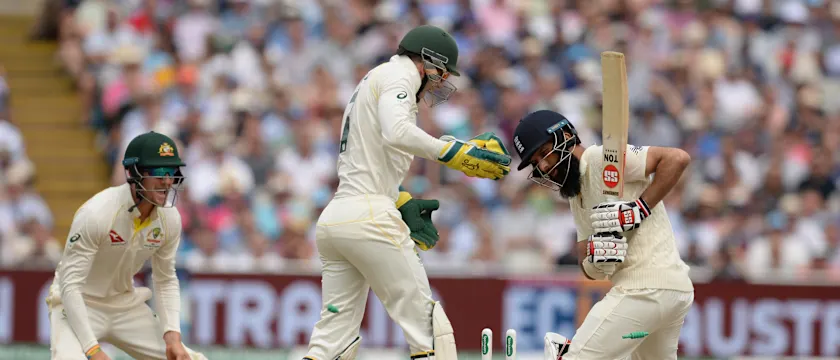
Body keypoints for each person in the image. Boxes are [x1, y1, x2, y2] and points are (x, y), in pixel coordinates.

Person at [304, 25, 511, 360]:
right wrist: (454, 152)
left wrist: (400, 200)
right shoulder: (400, 76)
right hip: (369, 216)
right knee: (428, 327)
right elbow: (397, 131)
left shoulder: (374, 80)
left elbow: (370, 157)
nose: (441, 82)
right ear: (427, 61)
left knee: (332, 344)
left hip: (338, 218)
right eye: (441, 73)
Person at [511, 110, 694, 360]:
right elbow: (585, 262)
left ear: (565, 136)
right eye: (535, 162)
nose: (543, 166)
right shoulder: (575, 192)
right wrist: (597, 259)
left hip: (644, 288)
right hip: (671, 290)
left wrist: (638, 209)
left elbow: (676, 158)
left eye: (544, 153)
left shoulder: (601, 158)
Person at [45, 131, 206, 360]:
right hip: (77, 304)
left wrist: (173, 336)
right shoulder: (96, 213)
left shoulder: (170, 219)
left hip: (124, 304)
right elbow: (70, 285)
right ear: (134, 173)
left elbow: (165, 279)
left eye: (171, 172)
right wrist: (93, 350)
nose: (167, 182)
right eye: (159, 172)